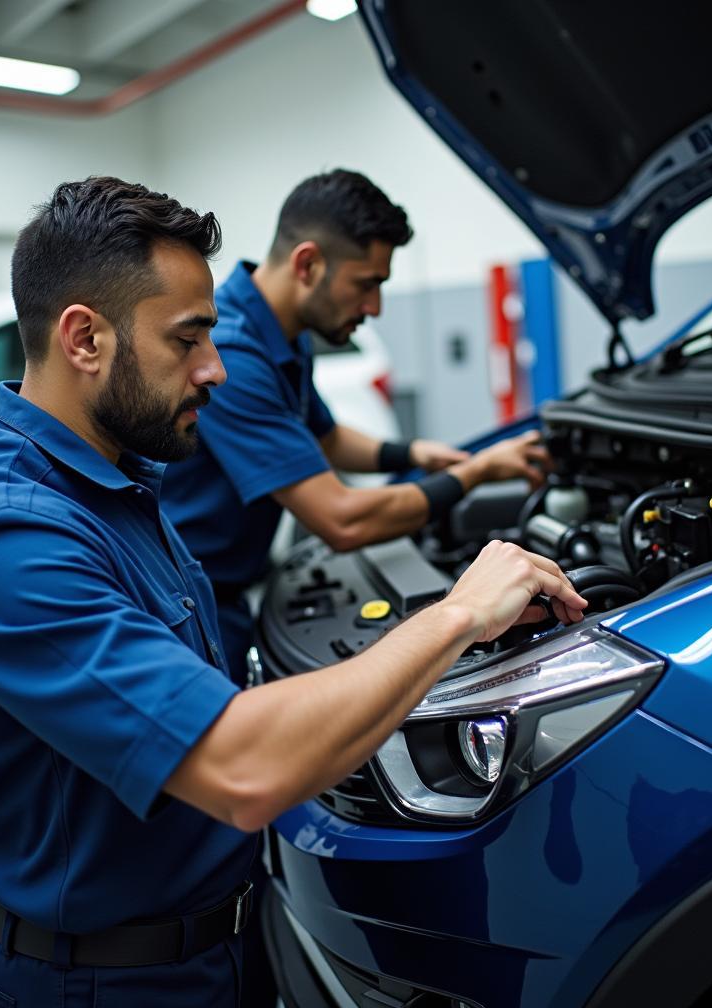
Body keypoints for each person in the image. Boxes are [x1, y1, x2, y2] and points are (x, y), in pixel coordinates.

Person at [0, 177, 586, 1008]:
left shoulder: (121, 482)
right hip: (105, 994)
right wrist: (458, 615)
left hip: (220, 950)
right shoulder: (3, 542)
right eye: (187, 340)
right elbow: (245, 766)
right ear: (84, 339)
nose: (215, 369)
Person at [161, 169, 551, 689]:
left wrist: (411, 453)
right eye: (367, 284)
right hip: (182, 602)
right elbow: (341, 520)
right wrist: (473, 476)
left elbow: (327, 437)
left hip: (227, 581)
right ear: (308, 264)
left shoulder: (280, 331)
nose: (374, 308)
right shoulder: (236, 352)